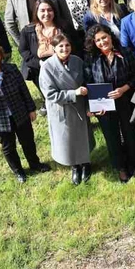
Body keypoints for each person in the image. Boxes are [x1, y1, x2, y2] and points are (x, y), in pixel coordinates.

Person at [0, 43, 50, 182]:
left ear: (0, 54)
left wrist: (31, 109)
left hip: (20, 113)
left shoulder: (11, 69)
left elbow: (23, 90)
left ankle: (35, 164)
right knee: (8, 147)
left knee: (28, 141)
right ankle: (18, 172)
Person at [84, 25, 135, 182]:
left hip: (126, 100)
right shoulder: (91, 58)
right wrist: (95, 106)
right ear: (93, 43)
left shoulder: (125, 52)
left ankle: (133, 163)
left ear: (110, 36)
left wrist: (124, 88)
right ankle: (120, 167)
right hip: (104, 105)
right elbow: (88, 82)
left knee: (129, 134)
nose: (102, 42)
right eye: (98, 40)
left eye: (104, 37)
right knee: (112, 137)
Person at [39, 34, 93, 184]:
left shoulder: (77, 61)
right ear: (54, 48)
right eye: (60, 46)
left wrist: (89, 105)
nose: (64, 49)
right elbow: (50, 94)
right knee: (67, 139)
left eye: (67, 45)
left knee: (82, 137)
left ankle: (86, 163)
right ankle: (75, 166)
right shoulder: (47, 67)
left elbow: (88, 83)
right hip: (61, 108)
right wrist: (73, 93)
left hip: (80, 106)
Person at [19, 0, 74, 87]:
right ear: (36, 12)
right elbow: (24, 51)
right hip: (40, 71)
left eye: (49, 10)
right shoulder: (27, 31)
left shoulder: (64, 27)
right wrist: (40, 63)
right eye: (42, 11)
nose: (46, 13)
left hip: (65, 69)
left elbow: (75, 46)